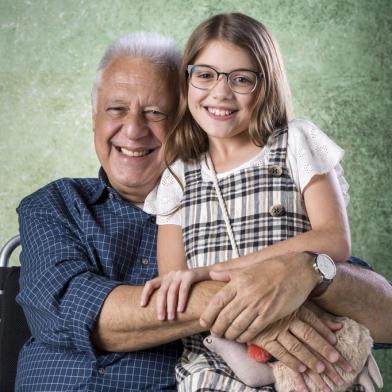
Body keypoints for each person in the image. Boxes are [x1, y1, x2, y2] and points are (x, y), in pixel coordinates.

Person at [15, 31, 391, 392]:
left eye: (155, 113)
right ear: (93, 116)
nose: (133, 129)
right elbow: (80, 312)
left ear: (187, 116)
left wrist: (309, 271)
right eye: (116, 109)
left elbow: (385, 315)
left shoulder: (249, 195)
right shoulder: (55, 205)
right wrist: (256, 308)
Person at [139, 13, 387, 391]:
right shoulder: (177, 175)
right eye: (205, 74)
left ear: (266, 84)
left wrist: (218, 271)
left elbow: (334, 239)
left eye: (241, 79)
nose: (220, 93)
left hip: (306, 339)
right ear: (186, 79)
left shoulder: (295, 142)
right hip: (221, 354)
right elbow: (175, 287)